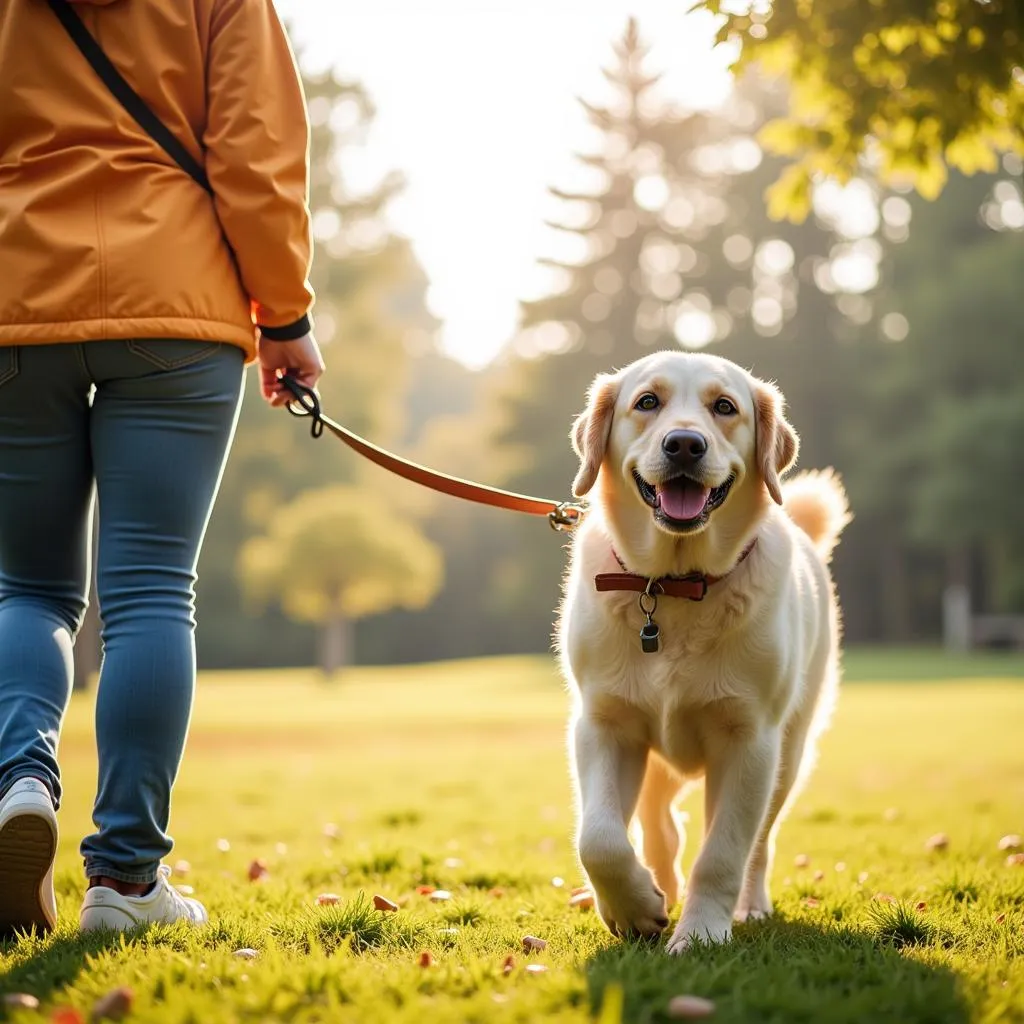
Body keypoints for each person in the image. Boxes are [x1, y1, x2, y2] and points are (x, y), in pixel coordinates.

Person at [0, 0, 324, 935]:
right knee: (147, 592)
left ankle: (20, 777)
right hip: (174, 303)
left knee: (26, 589)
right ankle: (126, 883)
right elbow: (255, 157)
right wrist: (287, 317)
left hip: (20, 298)